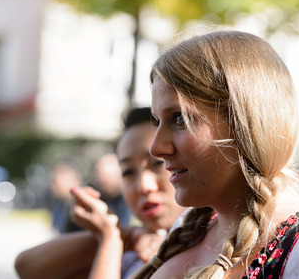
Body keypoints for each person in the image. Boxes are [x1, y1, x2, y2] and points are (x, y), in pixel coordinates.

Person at [127, 30, 299, 279]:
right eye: (157, 121)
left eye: (180, 119)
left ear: (244, 122)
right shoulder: (192, 227)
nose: (157, 147)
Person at [14, 107, 187, 279]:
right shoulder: (133, 256)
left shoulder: (205, 253)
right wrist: (122, 235)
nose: (143, 186)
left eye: (157, 163)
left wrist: (111, 239)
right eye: (128, 172)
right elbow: (26, 266)